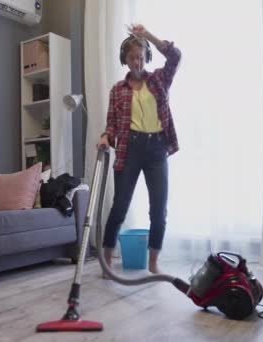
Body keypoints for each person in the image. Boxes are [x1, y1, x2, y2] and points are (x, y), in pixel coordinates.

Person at [97, 24, 181, 274]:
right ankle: (107, 261)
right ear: (125, 59)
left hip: (157, 148)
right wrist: (105, 137)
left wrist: (147, 36)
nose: (137, 61)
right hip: (129, 149)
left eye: (141, 57)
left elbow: (175, 56)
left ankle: (153, 262)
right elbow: (111, 123)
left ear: (146, 57)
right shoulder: (117, 90)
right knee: (119, 205)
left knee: (158, 208)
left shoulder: (158, 79)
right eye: (132, 57)